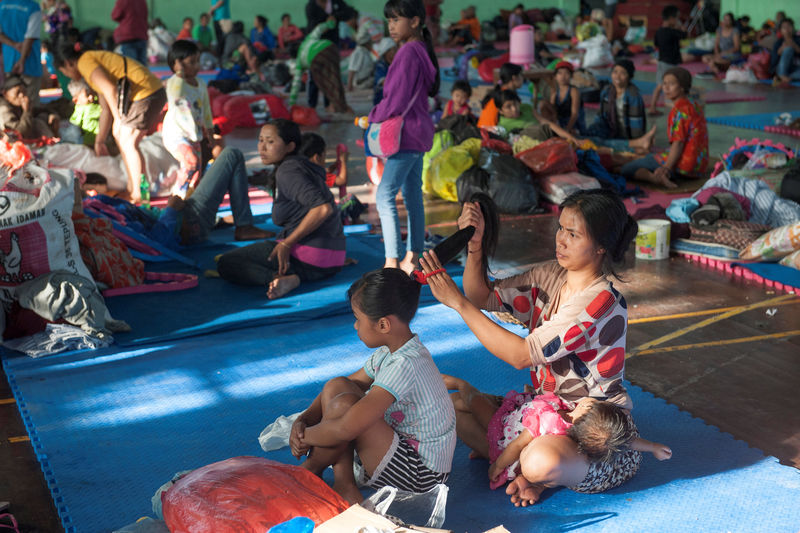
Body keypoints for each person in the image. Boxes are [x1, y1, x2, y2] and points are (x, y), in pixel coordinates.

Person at [418, 188, 641, 506]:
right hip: (545, 410)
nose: (561, 240)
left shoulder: (599, 302)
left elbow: (521, 355)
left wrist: (458, 304)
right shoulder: (551, 275)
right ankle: (517, 464)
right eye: (561, 228)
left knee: (540, 461)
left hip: (592, 429)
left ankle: (525, 468)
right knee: (453, 409)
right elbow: (484, 295)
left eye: (573, 234)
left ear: (601, 246)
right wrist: (476, 246)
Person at [289, 268, 456, 503]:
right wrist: (305, 418)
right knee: (339, 386)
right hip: (398, 448)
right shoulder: (390, 352)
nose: (355, 326)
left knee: (348, 412)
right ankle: (342, 482)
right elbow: (343, 385)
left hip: (421, 476)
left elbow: (347, 428)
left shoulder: (405, 364)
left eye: (358, 319)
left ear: (384, 325)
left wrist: (305, 436)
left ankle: (313, 468)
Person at [441, 384, 671, 490]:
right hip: (516, 419)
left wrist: (498, 465)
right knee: (461, 407)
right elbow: (629, 441)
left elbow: (517, 445)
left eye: (588, 405)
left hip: (504, 431)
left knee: (467, 406)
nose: (588, 402)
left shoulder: (551, 423)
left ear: (575, 426)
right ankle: (467, 406)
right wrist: (653, 447)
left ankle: (461, 386)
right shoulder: (604, 436)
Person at [216, 119, 346, 299]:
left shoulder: (288, 170)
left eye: (270, 142)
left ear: (290, 146)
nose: (262, 147)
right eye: (260, 140)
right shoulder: (301, 166)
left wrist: (287, 242)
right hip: (332, 260)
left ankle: (282, 278)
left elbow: (323, 209)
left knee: (227, 263)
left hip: (309, 257)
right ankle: (298, 273)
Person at [370, 0, 439, 273]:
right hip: (418, 132)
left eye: (396, 20)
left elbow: (396, 100)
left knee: (384, 196)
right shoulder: (420, 50)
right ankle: (414, 256)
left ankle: (391, 261)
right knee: (412, 196)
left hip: (405, 134)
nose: (391, 26)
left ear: (414, 21)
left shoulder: (408, 52)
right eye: (389, 21)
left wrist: (375, 114)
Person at [55, 46, 167, 203]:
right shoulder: (90, 66)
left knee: (128, 143)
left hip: (146, 92)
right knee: (123, 139)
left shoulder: (85, 62)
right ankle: (132, 186)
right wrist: (99, 141)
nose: (68, 76)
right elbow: (105, 108)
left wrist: (119, 121)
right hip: (148, 91)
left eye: (64, 72)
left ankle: (138, 192)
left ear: (68, 63)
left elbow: (111, 89)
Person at [620, 67, 708, 188]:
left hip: (684, 167)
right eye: (664, 83)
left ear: (682, 87)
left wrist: (666, 168)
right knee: (647, 157)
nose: (666, 88)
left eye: (671, 84)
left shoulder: (678, 111)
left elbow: (678, 144)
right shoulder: (695, 105)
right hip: (698, 166)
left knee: (626, 169)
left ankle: (657, 178)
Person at [162, 40, 214, 197]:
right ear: (177, 65)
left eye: (197, 61)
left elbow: (206, 111)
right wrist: (179, 73)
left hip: (194, 135)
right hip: (176, 135)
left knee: (198, 170)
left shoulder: (201, 84)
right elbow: (175, 95)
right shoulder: (174, 83)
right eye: (192, 62)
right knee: (190, 161)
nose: (197, 66)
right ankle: (176, 196)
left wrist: (210, 134)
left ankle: (188, 199)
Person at [584, 59, 651, 153]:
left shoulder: (633, 96)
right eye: (615, 72)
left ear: (629, 77)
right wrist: (595, 130)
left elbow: (636, 123)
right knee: (586, 139)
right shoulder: (607, 91)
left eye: (623, 73)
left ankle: (634, 145)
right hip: (609, 129)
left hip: (626, 135)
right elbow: (600, 116)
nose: (617, 76)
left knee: (599, 143)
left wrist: (637, 140)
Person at [288, 17, 352, 113]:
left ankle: (340, 108)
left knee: (325, 83)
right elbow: (319, 29)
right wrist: (331, 23)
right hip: (330, 48)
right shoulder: (307, 40)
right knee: (335, 80)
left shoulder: (299, 62)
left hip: (317, 58)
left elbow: (296, 85)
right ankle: (339, 106)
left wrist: (291, 104)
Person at [0, 0, 43, 107]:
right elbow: (30, 37)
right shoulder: (33, 7)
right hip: (29, 62)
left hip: (9, 61)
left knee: (12, 101)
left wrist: (14, 44)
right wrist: (22, 60)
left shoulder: (2, 5)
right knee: (31, 104)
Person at [649, 5, 685, 116]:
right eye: (677, 18)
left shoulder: (659, 31)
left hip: (661, 61)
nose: (678, 21)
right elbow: (684, 35)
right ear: (671, 19)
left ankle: (652, 107)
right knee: (674, 85)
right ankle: (677, 108)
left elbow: (656, 44)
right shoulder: (672, 31)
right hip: (670, 63)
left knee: (659, 85)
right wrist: (680, 27)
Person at [299, 132, 348, 198]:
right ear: (316, 158)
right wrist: (343, 161)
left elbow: (327, 171)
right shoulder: (317, 174)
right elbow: (342, 180)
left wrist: (337, 163)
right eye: (324, 155)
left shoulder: (302, 169)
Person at [477, 62, 523, 128]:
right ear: (514, 78)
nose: (522, 78)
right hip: (490, 132)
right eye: (521, 75)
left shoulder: (500, 91)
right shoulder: (506, 96)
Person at [549, 61, 585, 134]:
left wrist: (567, 129)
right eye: (560, 73)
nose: (563, 76)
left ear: (571, 76)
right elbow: (552, 111)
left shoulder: (573, 91)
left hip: (574, 124)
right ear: (555, 77)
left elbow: (574, 114)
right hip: (560, 124)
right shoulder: (555, 93)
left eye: (567, 73)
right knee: (543, 104)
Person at [701, 12, 741, 76]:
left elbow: (736, 47)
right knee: (705, 58)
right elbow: (716, 45)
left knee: (714, 60)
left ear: (732, 21)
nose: (726, 22)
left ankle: (714, 70)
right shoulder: (719, 30)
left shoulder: (735, 31)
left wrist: (725, 53)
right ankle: (715, 68)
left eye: (728, 20)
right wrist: (717, 53)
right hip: (721, 54)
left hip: (732, 55)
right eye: (725, 20)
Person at [111, 0, 149, 65]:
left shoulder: (123, 1)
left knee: (131, 65)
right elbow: (145, 15)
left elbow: (115, 15)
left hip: (128, 35)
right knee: (142, 65)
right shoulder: (142, 1)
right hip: (141, 34)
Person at [67, 79, 102, 147]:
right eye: (87, 95)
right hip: (92, 140)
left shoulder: (80, 107)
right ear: (76, 100)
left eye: (92, 93)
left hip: (94, 138)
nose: (91, 97)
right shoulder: (87, 109)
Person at [770, 18, 800, 85]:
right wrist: (780, 51)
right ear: (781, 30)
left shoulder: (798, 40)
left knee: (790, 48)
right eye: (784, 27)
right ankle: (782, 75)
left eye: (789, 26)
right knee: (788, 49)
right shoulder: (778, 43)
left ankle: (782, 78)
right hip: (781, 69)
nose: (787, 29)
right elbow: (773, 63)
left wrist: (795, 47)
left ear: (793, 28)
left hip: (795, 69)